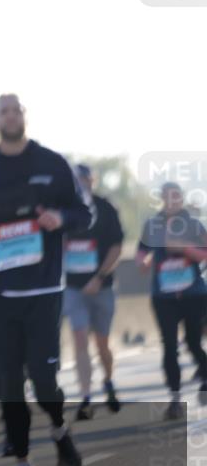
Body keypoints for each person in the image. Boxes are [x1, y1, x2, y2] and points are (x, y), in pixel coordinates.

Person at [0, 93, 91, 466]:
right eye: (3, 110)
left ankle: (58, 428)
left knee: (44, 376)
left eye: (16, 110)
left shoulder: (52, 164)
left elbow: (84, 213)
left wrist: (61, 218)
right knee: (9, 382)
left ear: (25, 118)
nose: (10, 116)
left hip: (43, 289)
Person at [136, 182, 207, 419]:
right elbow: (141, 252)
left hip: (193, 294)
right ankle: (175, 399)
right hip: (164, 296)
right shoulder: (152, 226)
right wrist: (143, 262)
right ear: (162, 200)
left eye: (176, 196)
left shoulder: (194, 225)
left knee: (193, 342)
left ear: (182, 199)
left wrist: (185, 249)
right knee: (169, 346)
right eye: (167, 197)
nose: (172, 201)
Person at [63, 163, 125, 420]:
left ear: (93, 180)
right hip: (73, 287)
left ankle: (108, 381)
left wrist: (100, 277)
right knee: (79, 339)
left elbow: (116, 247)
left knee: (102, 343)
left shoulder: (106, 208)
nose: (81, 182)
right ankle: (86, 397)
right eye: (76, 179)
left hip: (101, 286)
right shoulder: (64, 208)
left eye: (85, 178)